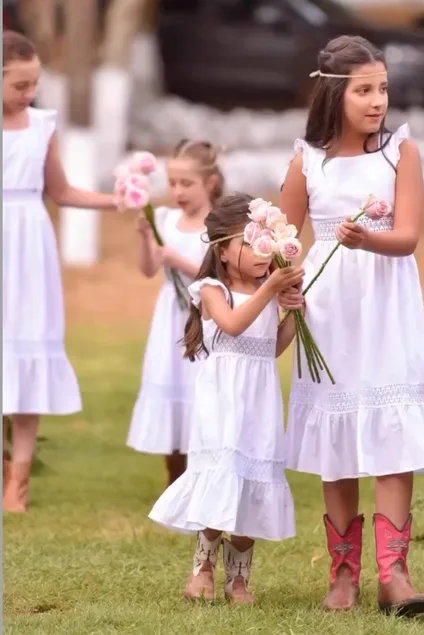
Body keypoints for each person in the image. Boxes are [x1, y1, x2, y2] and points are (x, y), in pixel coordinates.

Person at [277, 34, 424, 617]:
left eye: (383, 89)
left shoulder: (400, 152)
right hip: (329, 313)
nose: (378, 101)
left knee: (391, 435)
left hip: (386, 306)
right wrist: (284, 278)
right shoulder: (308, 161)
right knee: (339, 442)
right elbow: (279, 239)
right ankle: (343, 575)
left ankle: (393, 572)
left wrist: (364, 238)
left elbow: (407, 237)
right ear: (333, 94)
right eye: (365, 90)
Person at [148, 193, 304, 604]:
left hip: (260, 400)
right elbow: (233, 325)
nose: (261, 254)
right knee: (224, 477)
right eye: (252, 244)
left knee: (252, 480)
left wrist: (294, 314)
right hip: (223, 402)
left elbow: (270, 348)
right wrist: (271, 289)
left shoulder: (263, 292)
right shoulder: (212, 289)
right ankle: (202, 565)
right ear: (222, 248)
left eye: (267, 245)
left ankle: (240, 578)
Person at [2, 30, 120, 512]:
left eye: (34, 85)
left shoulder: (41, 125)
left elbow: (63, 191)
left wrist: (115, 200)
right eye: (19, 85)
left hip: (29, 245)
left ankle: (18, 484)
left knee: (26, 355)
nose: (29, 94)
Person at [128, 139, 224, 486]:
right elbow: (148, 269)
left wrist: (179, 260)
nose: (178, 191)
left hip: (205, 315)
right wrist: (144, 237)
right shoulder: (166, 220)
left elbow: (216, 274)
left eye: (187, 183)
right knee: (173, 391)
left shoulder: (217, 224)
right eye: (172, 183)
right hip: (171, 316)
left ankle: (204, 476)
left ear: (210, 182)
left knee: (199, 391)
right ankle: (175, 476)